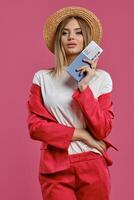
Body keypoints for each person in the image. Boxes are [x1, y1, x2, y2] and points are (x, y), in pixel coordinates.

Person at [27, 6, 117, 200]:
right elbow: (35, 127)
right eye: (65, 33)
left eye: (78, 32)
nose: (71, 37)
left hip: (92, 163)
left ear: (86, 39)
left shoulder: (102, 78)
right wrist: (82, 135)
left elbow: (102, 130)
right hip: (55, 166)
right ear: (58, 39)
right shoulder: (42, 78)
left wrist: (84, 86)